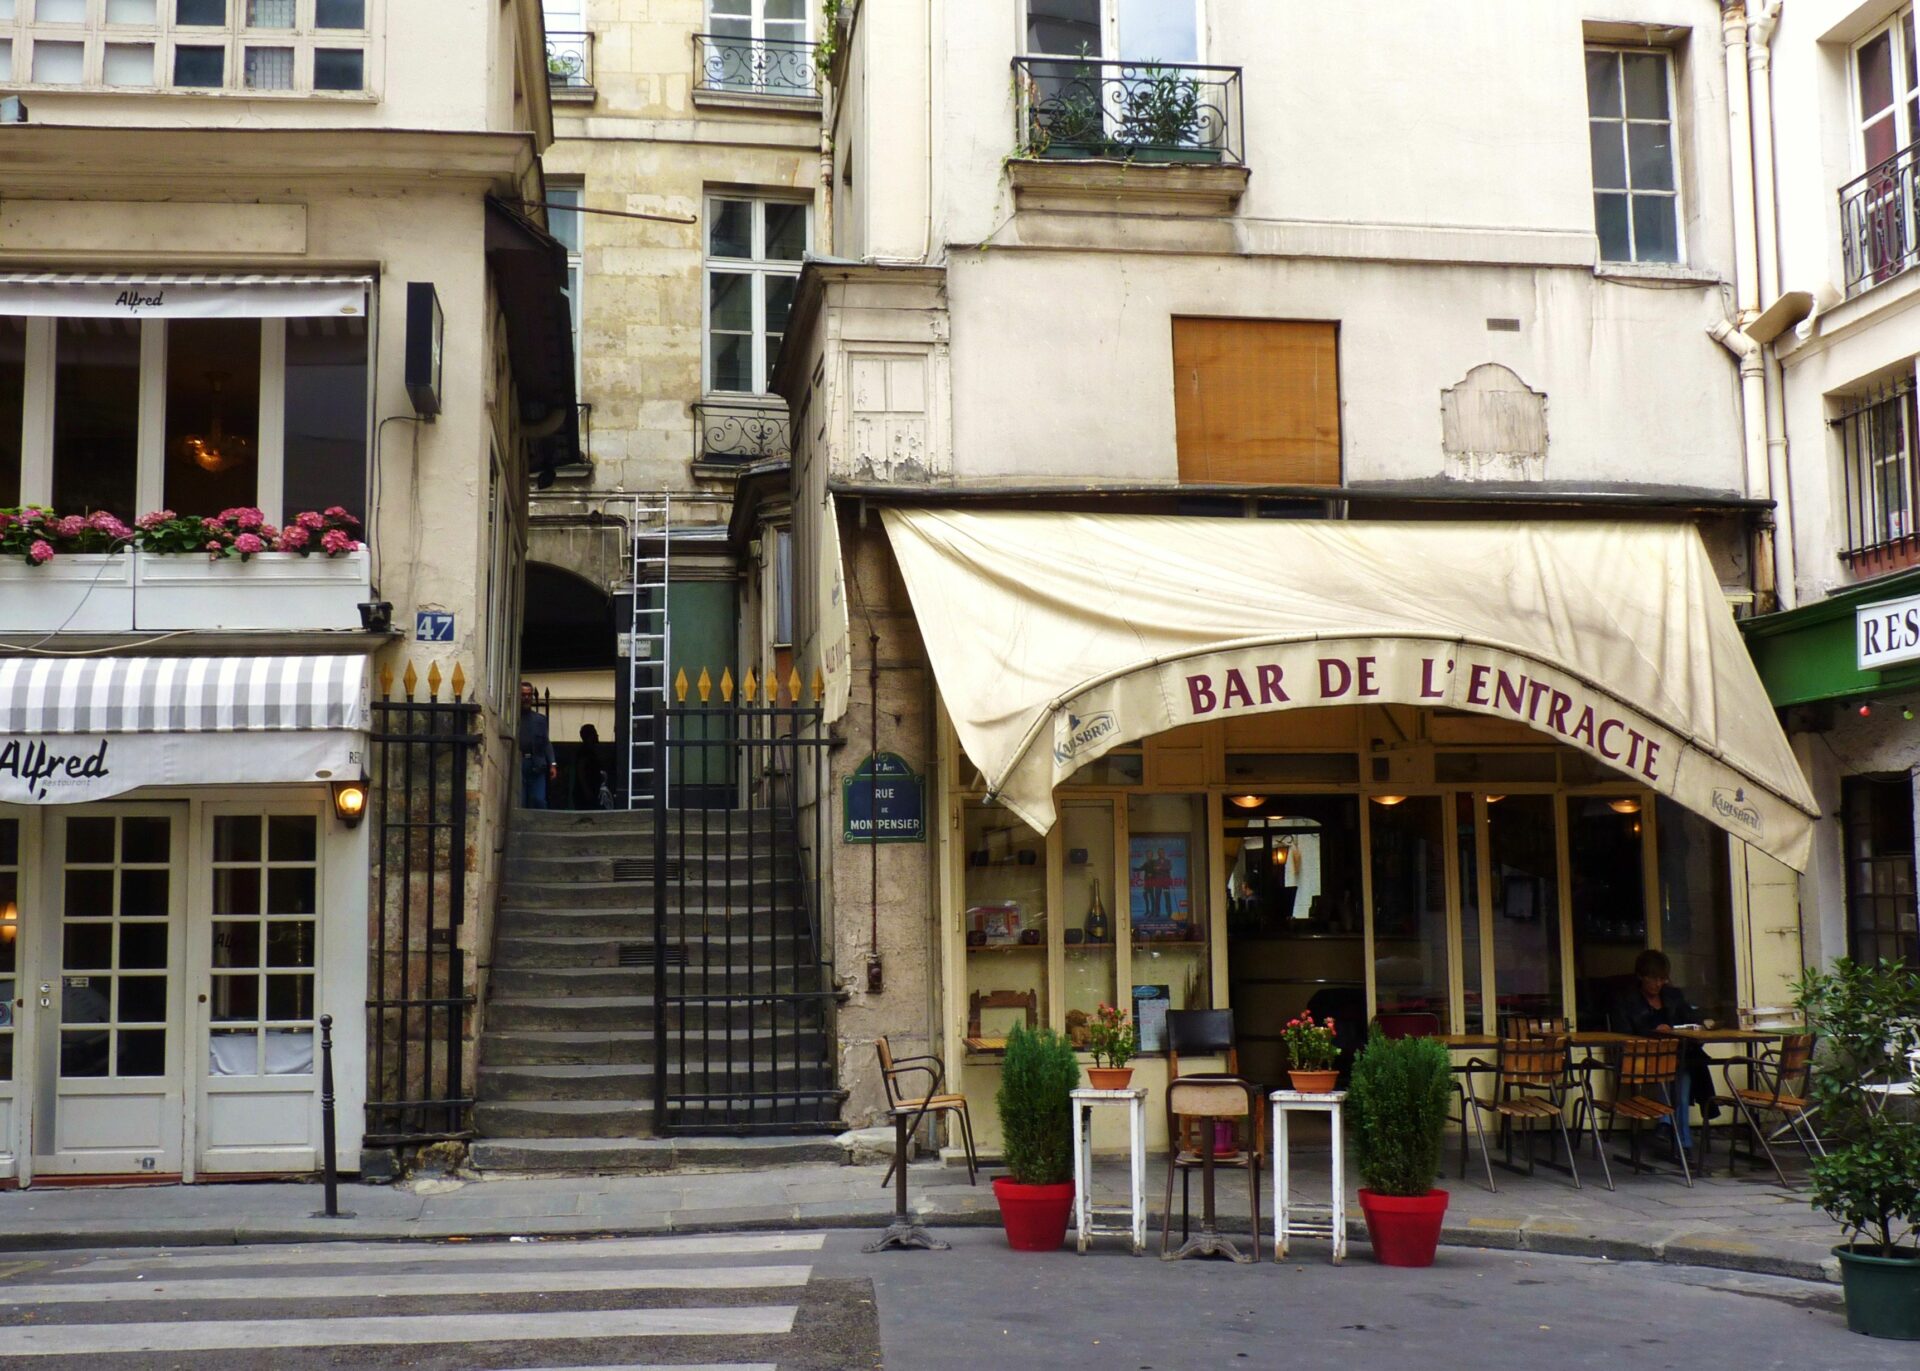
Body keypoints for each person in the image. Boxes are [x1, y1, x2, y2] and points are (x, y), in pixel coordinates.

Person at [1613, 948, 1718, 1156]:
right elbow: (1623, 1032)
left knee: (1682, 1069)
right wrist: (1652, 1032)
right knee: (1682, 1070)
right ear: (1641, 977)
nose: (1658, 984)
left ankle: (1668, 1124)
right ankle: (1682, 1140)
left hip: (1676, 1057)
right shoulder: (1626, 999)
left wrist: (1683, 1028)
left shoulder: (1673, 996)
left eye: (1663, 979)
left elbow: (1691, 1018)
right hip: (1643, 1058)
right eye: (1653, 979)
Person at [518, 681, 556, 809]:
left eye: (529, 695)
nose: (526, 698)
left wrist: (553, 764)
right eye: (523, 695)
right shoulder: (512, 719)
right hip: (519, 764)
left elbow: (546, 742)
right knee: (520, 801)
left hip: (537, 765)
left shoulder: (540, 720)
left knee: (539, 801)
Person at [572, 722, 608, 810]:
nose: (597, 735)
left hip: (591, 790)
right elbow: (581, 770)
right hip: (585, 792)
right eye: (594, 733)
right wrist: (586, 790)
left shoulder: (591, 751)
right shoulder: (585, 751)